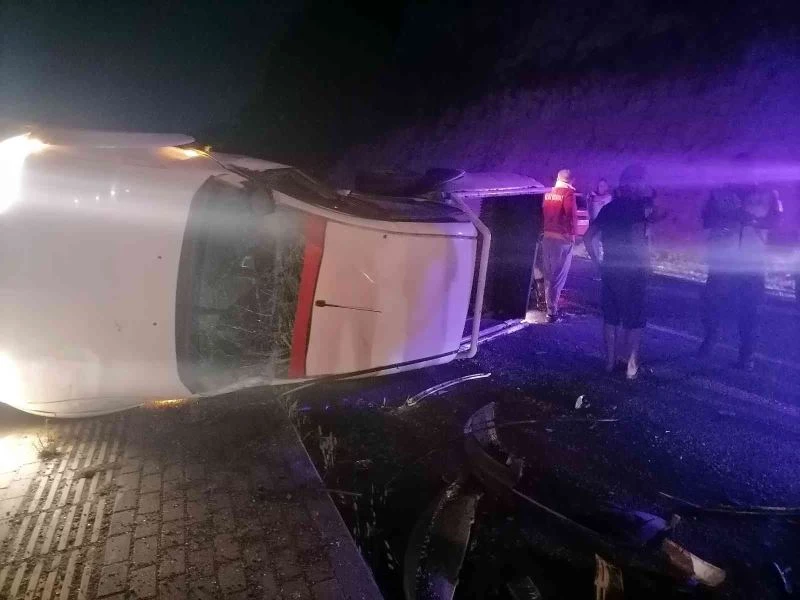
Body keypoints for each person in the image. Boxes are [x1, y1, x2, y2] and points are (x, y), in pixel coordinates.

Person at [584, 164, 665, 379]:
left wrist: (598, 262)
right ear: (637, 183)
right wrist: (646, 264)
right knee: (634, 318)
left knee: (611, 316)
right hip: (634, 269)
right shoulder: (640, 210)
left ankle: (610, 362)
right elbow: (642, 236)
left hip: (611, 267)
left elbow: (588, 237)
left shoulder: (609, 208)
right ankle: (631, 364)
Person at [698, 182, 782, 370]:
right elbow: (706, 218)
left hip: (752, 261)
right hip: (723, 259)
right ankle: (711, 338)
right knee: (711, 303)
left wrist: (754, 222)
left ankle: (747, 354)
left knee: (751, 308)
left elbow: (776, 221)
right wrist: (730, 218)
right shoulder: (719, 192)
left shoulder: (769, 193)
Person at [541, 169, 578, 322]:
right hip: (562, 240)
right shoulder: (568, 194)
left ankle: (548, 306)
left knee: (548, 274)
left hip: (547, 237)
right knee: (558, 276)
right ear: (571, 180)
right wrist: (572, 235)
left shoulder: (548, 192)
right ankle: (552, 311)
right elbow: (571, 216)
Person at [586, 178, 613, 265]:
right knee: (594, 243)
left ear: (607, 187)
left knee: (606, 245)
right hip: (594, 224)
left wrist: (592, 196)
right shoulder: (592, 197)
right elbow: (589, 206)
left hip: (605, 225)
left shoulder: (608, 196)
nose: (602, 188)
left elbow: (598, 198)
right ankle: (596, 264)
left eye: (604, 186)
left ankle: (606, 264)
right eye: (600, 186)